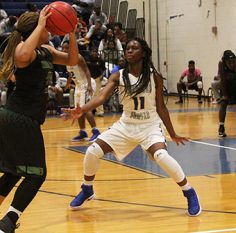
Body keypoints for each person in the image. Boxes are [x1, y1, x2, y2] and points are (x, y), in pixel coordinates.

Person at [63, 38, 201, 217]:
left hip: (150, 126)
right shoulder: (118, 75)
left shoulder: (154, 76)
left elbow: (161, 107)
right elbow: (101, 97)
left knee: (161, 155)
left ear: (143, 53)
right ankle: (87, 188)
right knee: (92, 151)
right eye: (127, 48)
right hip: (126, 126)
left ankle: (189, 192)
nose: (129, 51)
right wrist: (81, 110)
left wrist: (172, 133)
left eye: (134, 48)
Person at [0, 8, 79, 232]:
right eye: (46, 28)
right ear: (36, 29)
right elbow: (21, 55)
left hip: (19, 117)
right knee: (37, 174)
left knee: (13, 170)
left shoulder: (45, 51)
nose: (50, 30)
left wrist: (71, 33)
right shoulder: (24, 51)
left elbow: (72, 59)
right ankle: (7, 223)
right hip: (21, 118)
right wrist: (40, 24)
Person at [62, 40, 101, 142]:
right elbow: (71, 74)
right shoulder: (66, 60)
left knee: (86, 109)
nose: (64, 50)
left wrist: (88, 85)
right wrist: (68, 83)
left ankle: (96, 131)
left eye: (67, 48)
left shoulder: (78, 57)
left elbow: (87, 70)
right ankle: (83, 132)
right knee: (77, 109)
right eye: (63, 48)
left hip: (86, 84)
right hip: (78, 86)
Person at [218, 50, 236, 137]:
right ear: (225, 61)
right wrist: (225, 95)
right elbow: (223, 80)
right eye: (230, 62)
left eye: (233, 62)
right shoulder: (221, 64)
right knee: (223, 103)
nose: (232, 64)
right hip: (226, 85)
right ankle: (221, 127)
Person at [86, 47, 106, 117]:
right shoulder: (87, 60)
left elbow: (104, 69)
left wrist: (102, 75)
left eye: (95, 52)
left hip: (98, 79)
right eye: (93, 51)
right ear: (90, 52)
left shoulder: (100, 60)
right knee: (89, 96)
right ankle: (89, 111)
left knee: (98, 95)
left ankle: (100, 111)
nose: (94, 53)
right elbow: (85, 70)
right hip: (90, 80)